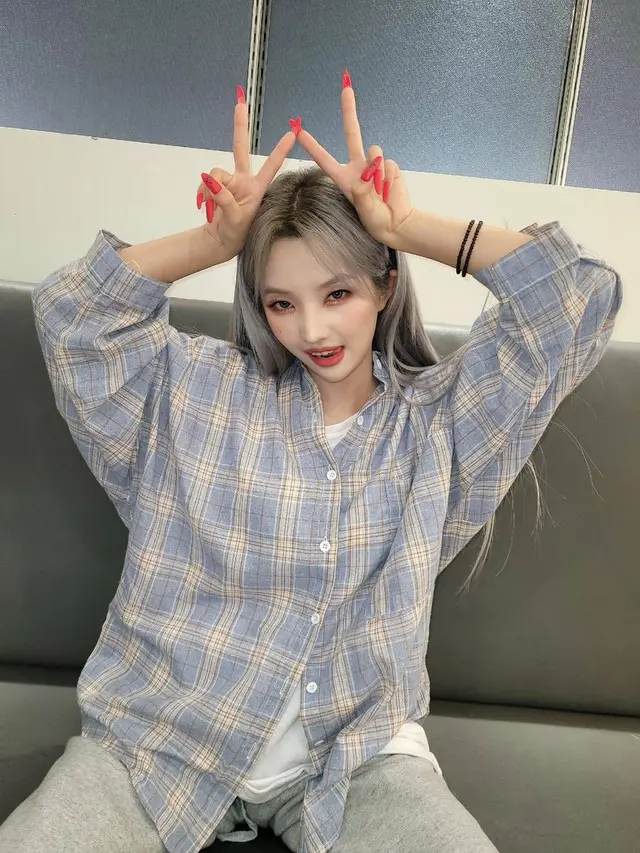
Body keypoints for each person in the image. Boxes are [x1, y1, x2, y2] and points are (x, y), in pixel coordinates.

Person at [0, 71, 622, 853]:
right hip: (156, 743)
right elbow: (74, 316)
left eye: (338, 294)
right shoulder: (194, 390)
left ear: (384, 285)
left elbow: (575, 299)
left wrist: (408, 226)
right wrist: (213, 243)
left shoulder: (438, 424)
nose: (313, 330)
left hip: (356, 762)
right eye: (281, 303)